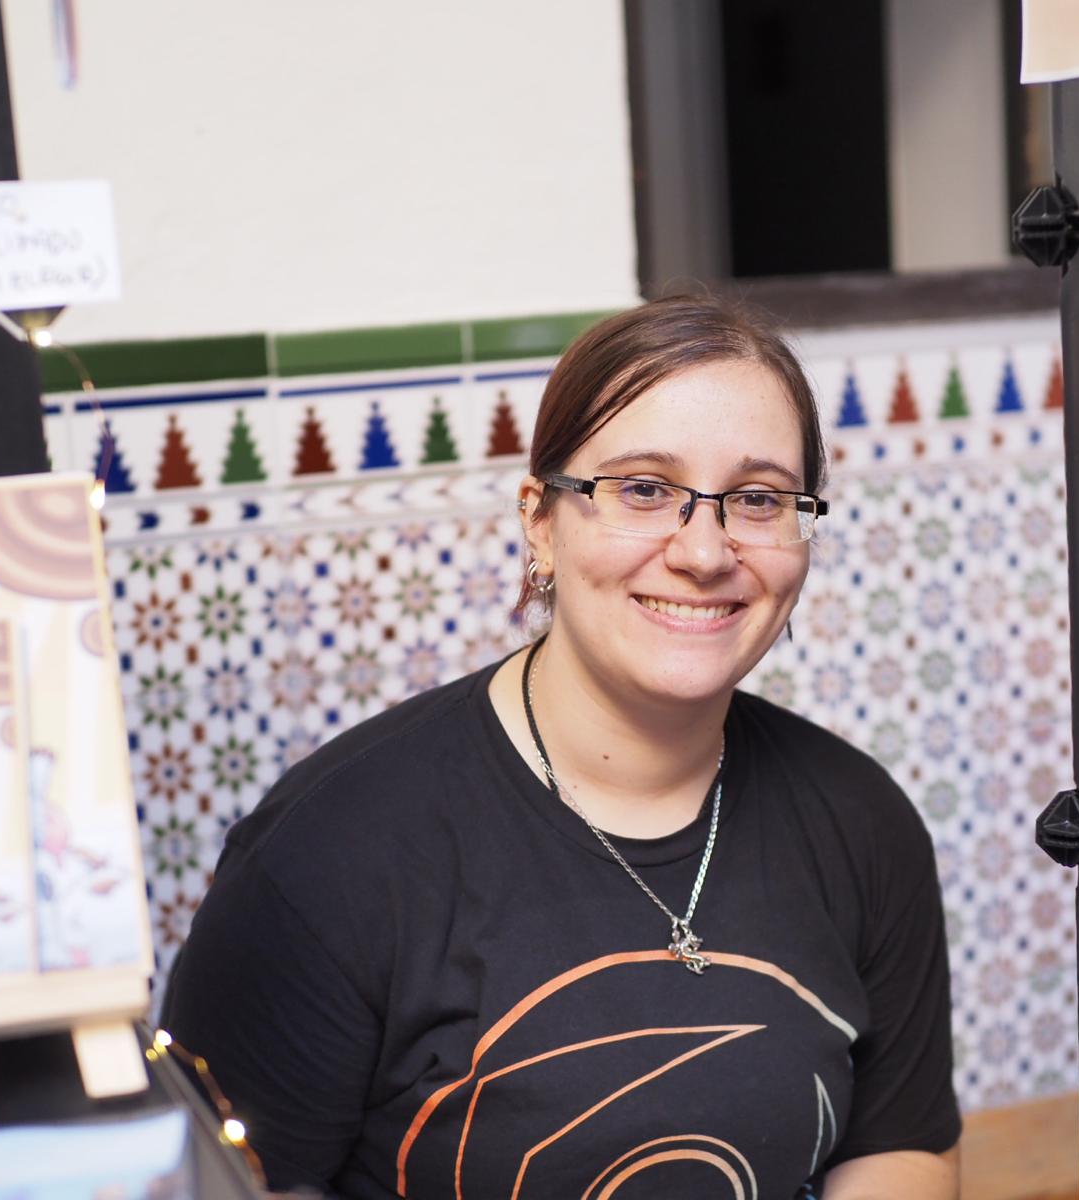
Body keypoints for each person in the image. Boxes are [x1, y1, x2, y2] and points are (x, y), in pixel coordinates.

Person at [160, 296, 961, 1198]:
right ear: (540, 520)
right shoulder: (325, 861)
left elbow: (902, 1145)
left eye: (758, 500)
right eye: (644, 489)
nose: (705, 552)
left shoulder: (861, 821)